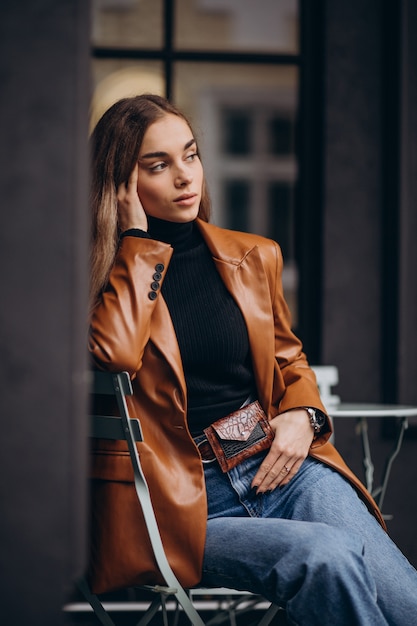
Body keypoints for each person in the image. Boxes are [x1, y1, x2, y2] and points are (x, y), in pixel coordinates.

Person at [88, 94, 417, 625]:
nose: (184, 177)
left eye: (190, 155)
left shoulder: (250, 256)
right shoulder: (103, 284)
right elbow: (116, 352)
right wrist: (136, 244)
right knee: (326, 558)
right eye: (158, 165)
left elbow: (290, 362)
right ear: (121, 186)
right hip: (182, 507)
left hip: (280, 466)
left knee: (409, 604)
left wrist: (302, 418)